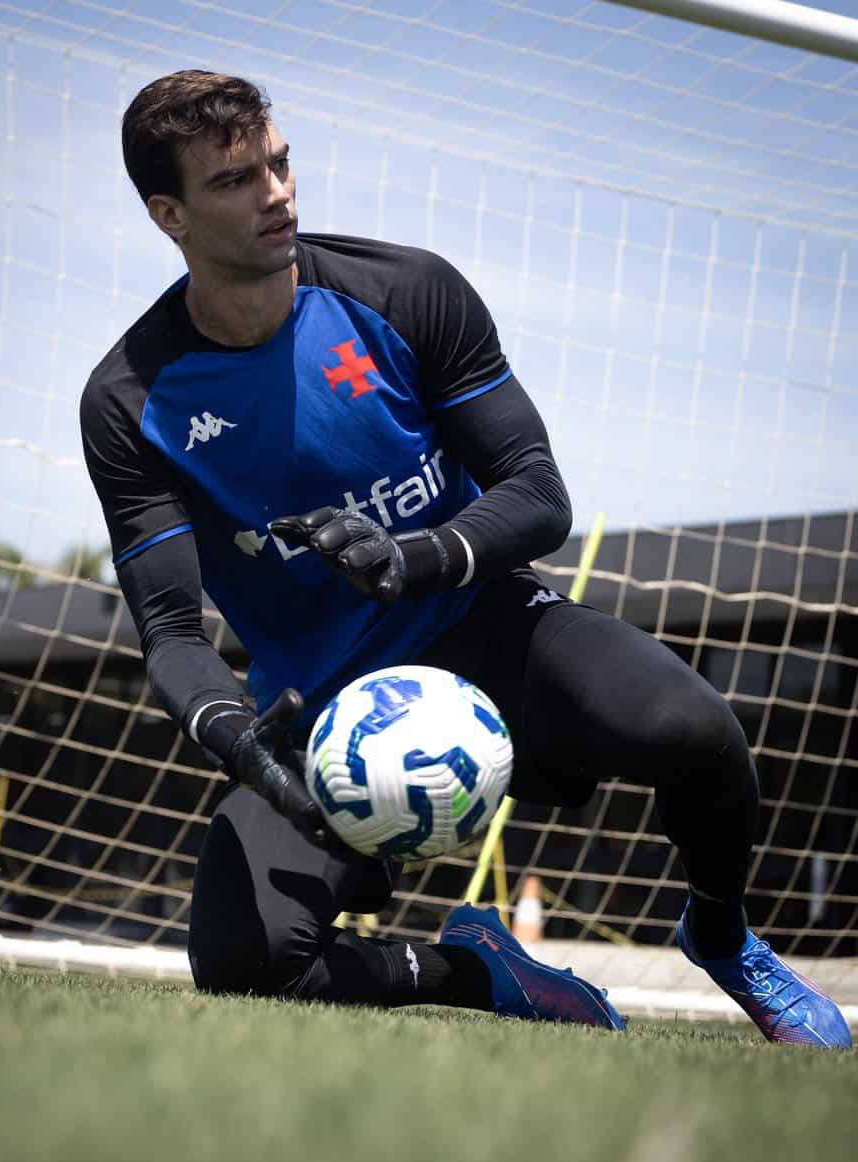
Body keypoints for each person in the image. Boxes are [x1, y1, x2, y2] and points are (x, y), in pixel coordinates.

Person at [81, 70, 850, 1047]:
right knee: (245, 962)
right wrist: (243, 746)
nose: (277, 194)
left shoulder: (406, 291)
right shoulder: (129, 400)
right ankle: (478, 970)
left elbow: (538, 493)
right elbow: (170, 633)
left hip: (486, 629)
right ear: (169, 214)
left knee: (694, 730)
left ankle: (724, 935)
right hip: (328, 711)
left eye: (279, 164)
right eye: (235, 181)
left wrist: (414, 558)